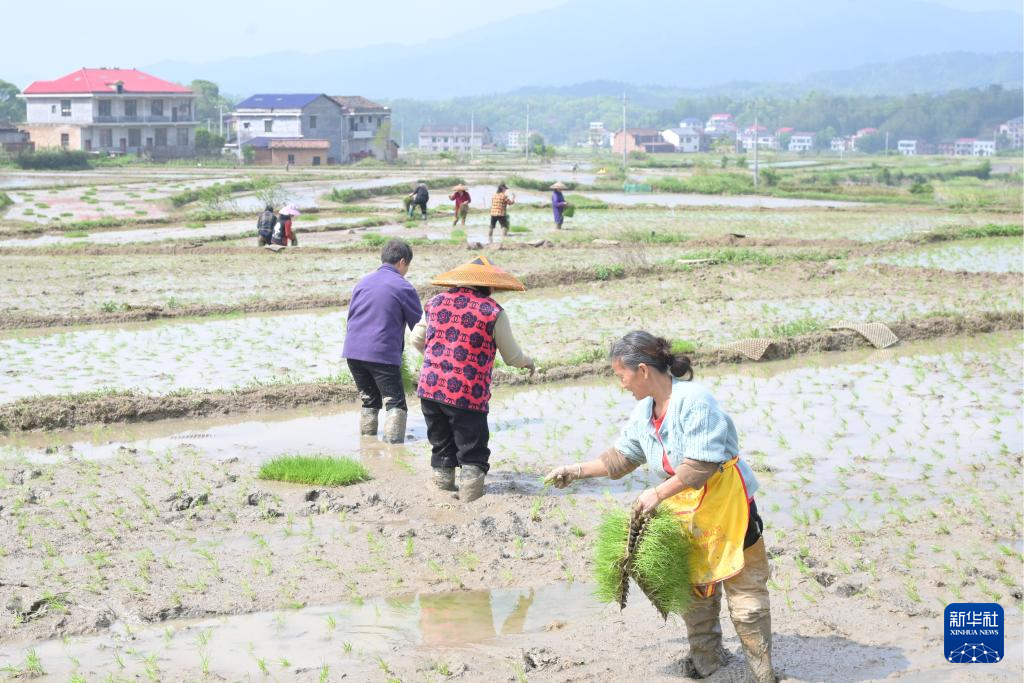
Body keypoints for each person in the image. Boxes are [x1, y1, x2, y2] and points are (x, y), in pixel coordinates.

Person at [544, 331, 775, 683]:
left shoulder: (694, 401)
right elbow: (621, 458)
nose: (621, 384)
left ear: (642, 370)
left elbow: (701, 464)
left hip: (729, 507)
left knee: (746, 600)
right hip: (684, 509)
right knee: (695, 594)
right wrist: (575, 470)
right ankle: (709, 666)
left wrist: (656, 493)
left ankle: (763, 674)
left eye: (621, 375)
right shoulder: (644, 412)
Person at [411, 256, 536, 502]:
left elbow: (416, 339)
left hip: (430, 388)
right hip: (466, 393)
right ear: (488, 285)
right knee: (472, 452)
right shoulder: (492, 311)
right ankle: (471, 503)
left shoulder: (434, 302)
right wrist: (528, 362)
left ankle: (442, 497)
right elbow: (512, 356)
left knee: (442, 447)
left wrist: (437, 361)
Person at [341, 239, 423, 444]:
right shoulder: (403, 287)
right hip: (381, 353)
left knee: (369, 401)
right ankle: (394, 450)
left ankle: (367, 445)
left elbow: (351, 318)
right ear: (402, 262)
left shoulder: (363, 283)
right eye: (407, 266)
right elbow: (419, 328)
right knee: (395, 404)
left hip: (353, 352)